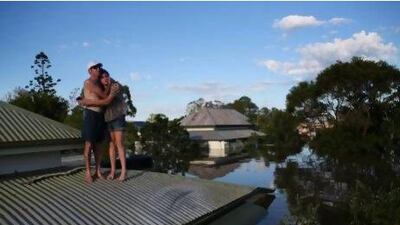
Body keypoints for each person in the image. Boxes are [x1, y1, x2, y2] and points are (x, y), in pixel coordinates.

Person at [79, 68, 128, 182]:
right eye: (103, 77)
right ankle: (111, 171)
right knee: (109, 145)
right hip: (106, 119)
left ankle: (123, 172)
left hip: (117, 117)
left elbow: (108, 99)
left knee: (118, 144)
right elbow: (92, 96)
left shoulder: (114, 85)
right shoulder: (97, 87)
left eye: (107, 76)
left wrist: (87, 101)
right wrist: (83, 100)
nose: (105, 78)